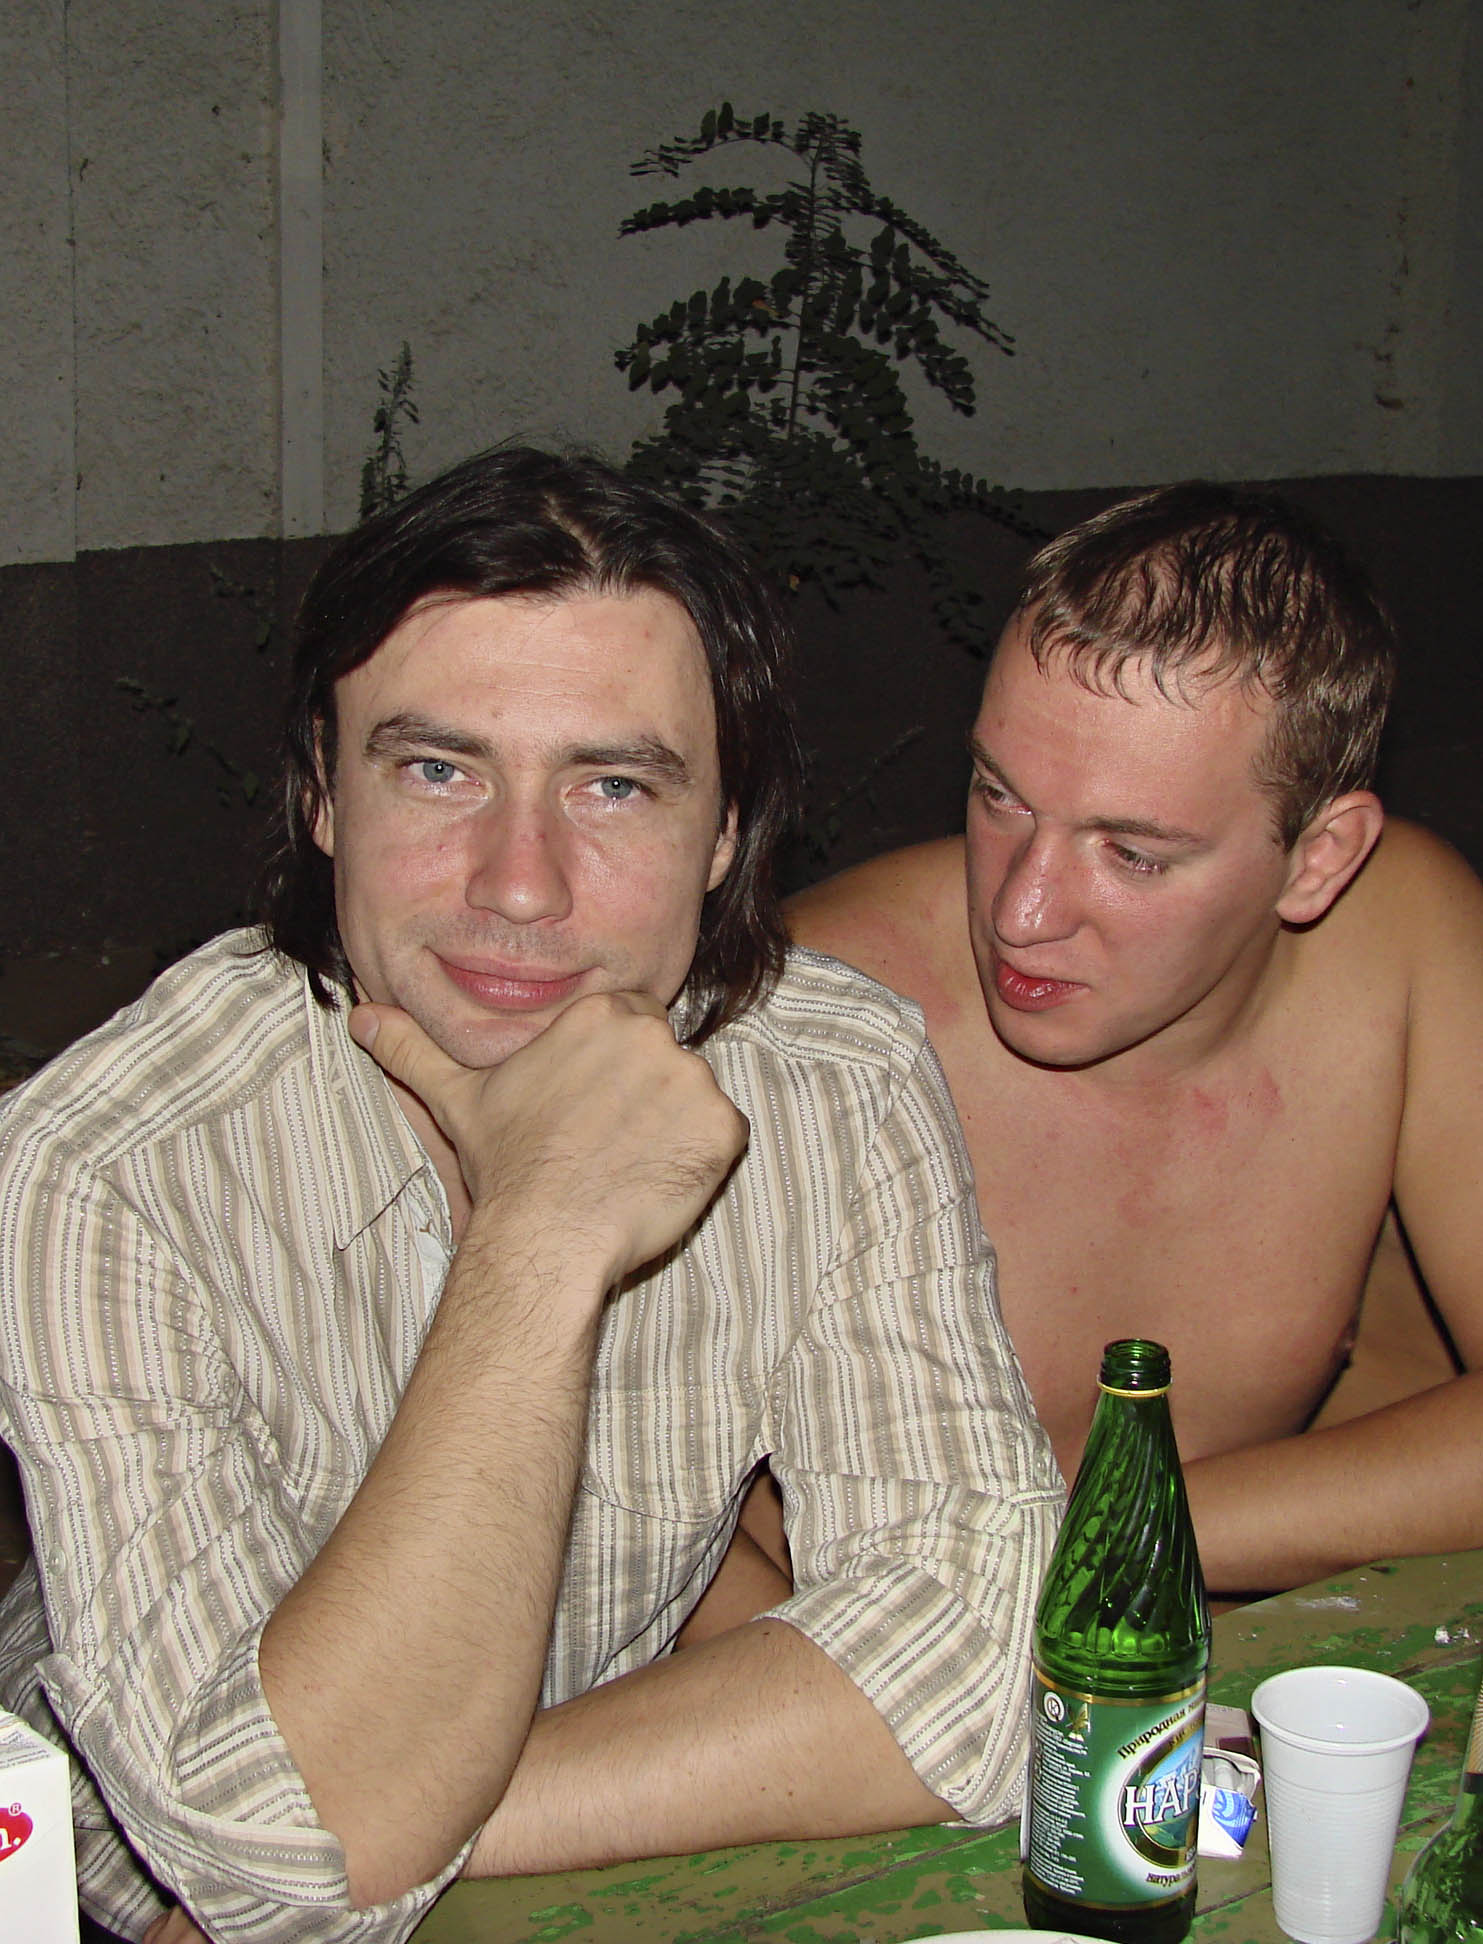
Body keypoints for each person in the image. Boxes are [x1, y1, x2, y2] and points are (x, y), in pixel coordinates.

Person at [0, 448, 1060, 1943]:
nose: (517, 883)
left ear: (726, 832)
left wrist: (421, 1824)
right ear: (320, 791)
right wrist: (545, 1231)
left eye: (612, 786)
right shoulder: (106, 1166)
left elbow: (987, 1661)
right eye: (437, 771)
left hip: (573, 1852)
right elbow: (264, 1858)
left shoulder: (839, 1079)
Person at [789, 481, 1483, 1599]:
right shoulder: (821, 1016)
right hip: (836, 1664)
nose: (1020, 911)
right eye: (1000, 796)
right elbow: (640, 1513)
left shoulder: (1401, 941)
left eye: (1133, 854)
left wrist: (1106, 1541)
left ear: (1317, 859)